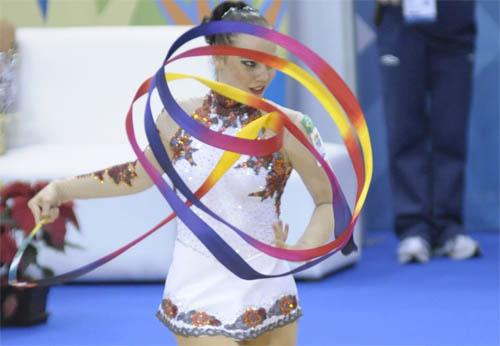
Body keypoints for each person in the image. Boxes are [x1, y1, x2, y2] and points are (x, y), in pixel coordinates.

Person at [28, 2, 335, 345]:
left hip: (268, 282)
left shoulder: (288, 127)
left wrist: (299, 248)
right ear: (217, 56)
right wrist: (60, 189)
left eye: (271, 63)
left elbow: (327, 201)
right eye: (249, 64)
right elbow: (135, 175)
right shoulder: (179, 119)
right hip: (200, 282)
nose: (262, 76)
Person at [375, 0, 480, 263]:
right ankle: (413, 229)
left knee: (451, 130)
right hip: (401, 22)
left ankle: (449, 228)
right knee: (404, 128)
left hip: (454, 22)